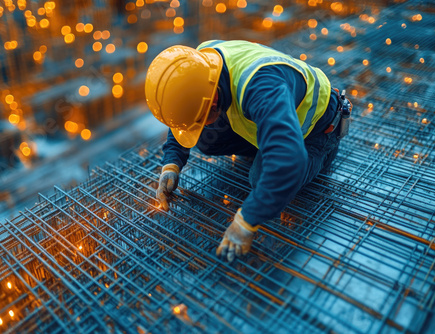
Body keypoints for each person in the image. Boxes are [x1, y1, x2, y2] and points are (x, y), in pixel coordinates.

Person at [144, 40, 349, 262]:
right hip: (276, 110)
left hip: (318, 129)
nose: (202, 123)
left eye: (204, 115)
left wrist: (247, 220)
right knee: (205, 139)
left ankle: (322, 153)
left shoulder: (262, 89)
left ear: (212, 100)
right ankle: (270, 140)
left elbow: (287, 161)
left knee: (263, 177)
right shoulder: (201, 64)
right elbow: (185, 112)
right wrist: (171, 164)